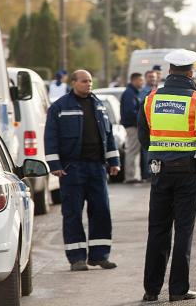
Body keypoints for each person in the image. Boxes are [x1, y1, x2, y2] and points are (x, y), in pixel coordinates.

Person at [137, 49, 196, 302]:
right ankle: (178, 289)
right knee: (184, 229)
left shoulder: (151, 99)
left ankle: (151, 289)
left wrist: (158, 153)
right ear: (191, 72)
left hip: (160, 171)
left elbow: (143, 135)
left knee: (157, 229)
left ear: (169, 71)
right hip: (188, 172)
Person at [45, 70, 121, 271]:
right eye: (84, 81)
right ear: (73, 83)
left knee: (101, 211)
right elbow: (50, 137)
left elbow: (108, 136)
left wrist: (114, 161)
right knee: (72, 213)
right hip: (72, 169)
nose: (88, 84)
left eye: (90, 81)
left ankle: (100, 256)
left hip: (97, 168)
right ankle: (77, 258)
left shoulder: (98, 105)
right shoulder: (60, 107)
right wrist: (55, 165)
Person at [120, 72, 144, 183]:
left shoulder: (133, 92)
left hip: (134, 125)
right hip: (132, 125)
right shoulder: (129, 93)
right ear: (134, 80)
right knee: (132, 151)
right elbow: (130, 111)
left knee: (134, 151)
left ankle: (134, 176)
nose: (142, 82)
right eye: (140, 80)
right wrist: (141, 118)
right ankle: (130, 176)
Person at [139, 70, 160, 181]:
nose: (152, 78)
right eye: (150, 77)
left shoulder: (158, 91)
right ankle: (147, 173)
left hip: (157, 126)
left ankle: (154, 172)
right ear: (146, 78)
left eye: (154, 77)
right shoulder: (144, 92)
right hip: (147, 125)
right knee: (147, 150)